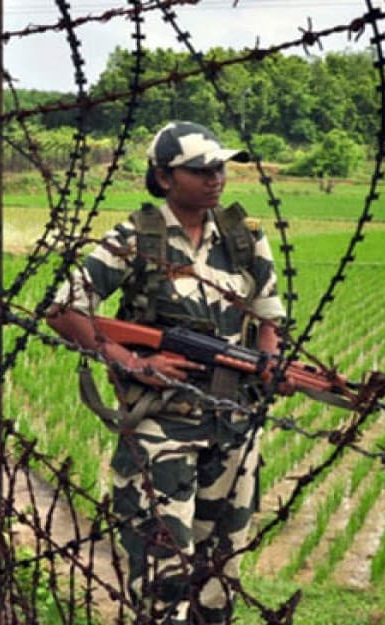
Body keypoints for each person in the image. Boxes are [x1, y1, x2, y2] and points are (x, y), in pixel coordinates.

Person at [46, 121, 287, 624]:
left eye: (219, 168)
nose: (215, 178)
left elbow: (269, 320)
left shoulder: (244, 239)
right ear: (164, 176)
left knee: (221, 572)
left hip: (233, 424)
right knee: (164, 570)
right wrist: (133, 361)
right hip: (163, 426)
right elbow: (65, 309)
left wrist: (269, 364)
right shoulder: (135, 237)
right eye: (199, 170)